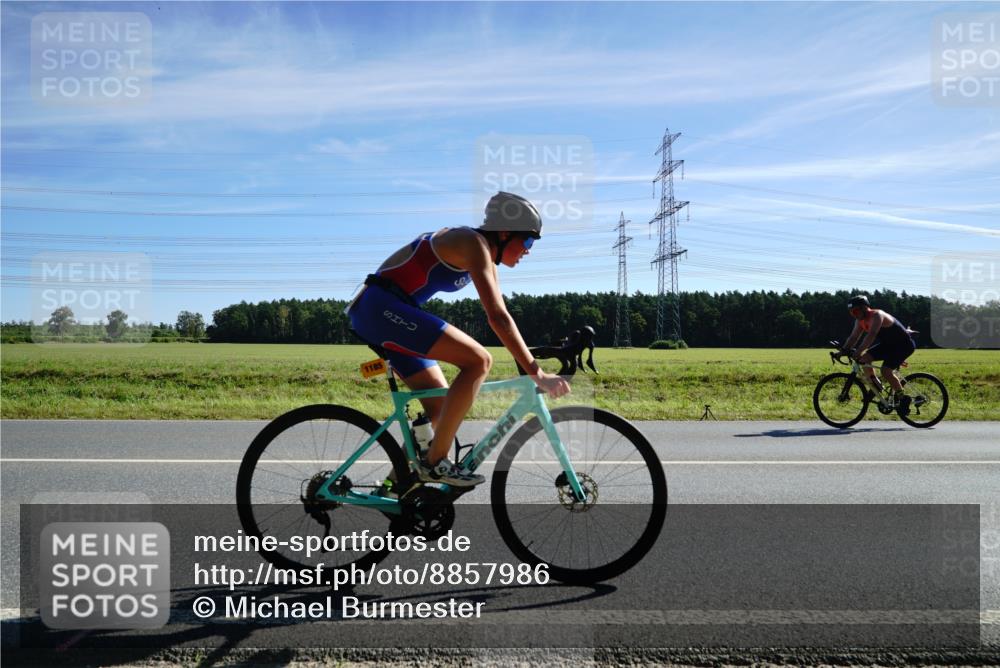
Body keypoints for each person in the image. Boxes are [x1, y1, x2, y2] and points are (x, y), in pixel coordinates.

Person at [346, 191, 571, 487]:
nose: (529, 249)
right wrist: (537, 372)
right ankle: (435, 464)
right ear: (504, 233)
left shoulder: (485, 257)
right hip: (380, 309)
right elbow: (497, 318)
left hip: (390, 312)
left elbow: (503, 313)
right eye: (528, 240)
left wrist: (530, 362)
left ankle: (396, 487)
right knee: (479, 360)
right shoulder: (471, 242)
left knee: (439, 405)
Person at [839, 295, 916, 414]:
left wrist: (858, 351)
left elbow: (872, 335)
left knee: (886, 370)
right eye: (851, 312)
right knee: (864, 360)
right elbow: (853, 337)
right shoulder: (860, 321)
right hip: (888, 345)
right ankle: (877, 386)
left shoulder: (877, 315)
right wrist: (842, 351)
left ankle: (903, 398)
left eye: (855, 311)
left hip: (903, 345)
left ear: (864, 308)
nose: (854, 314)